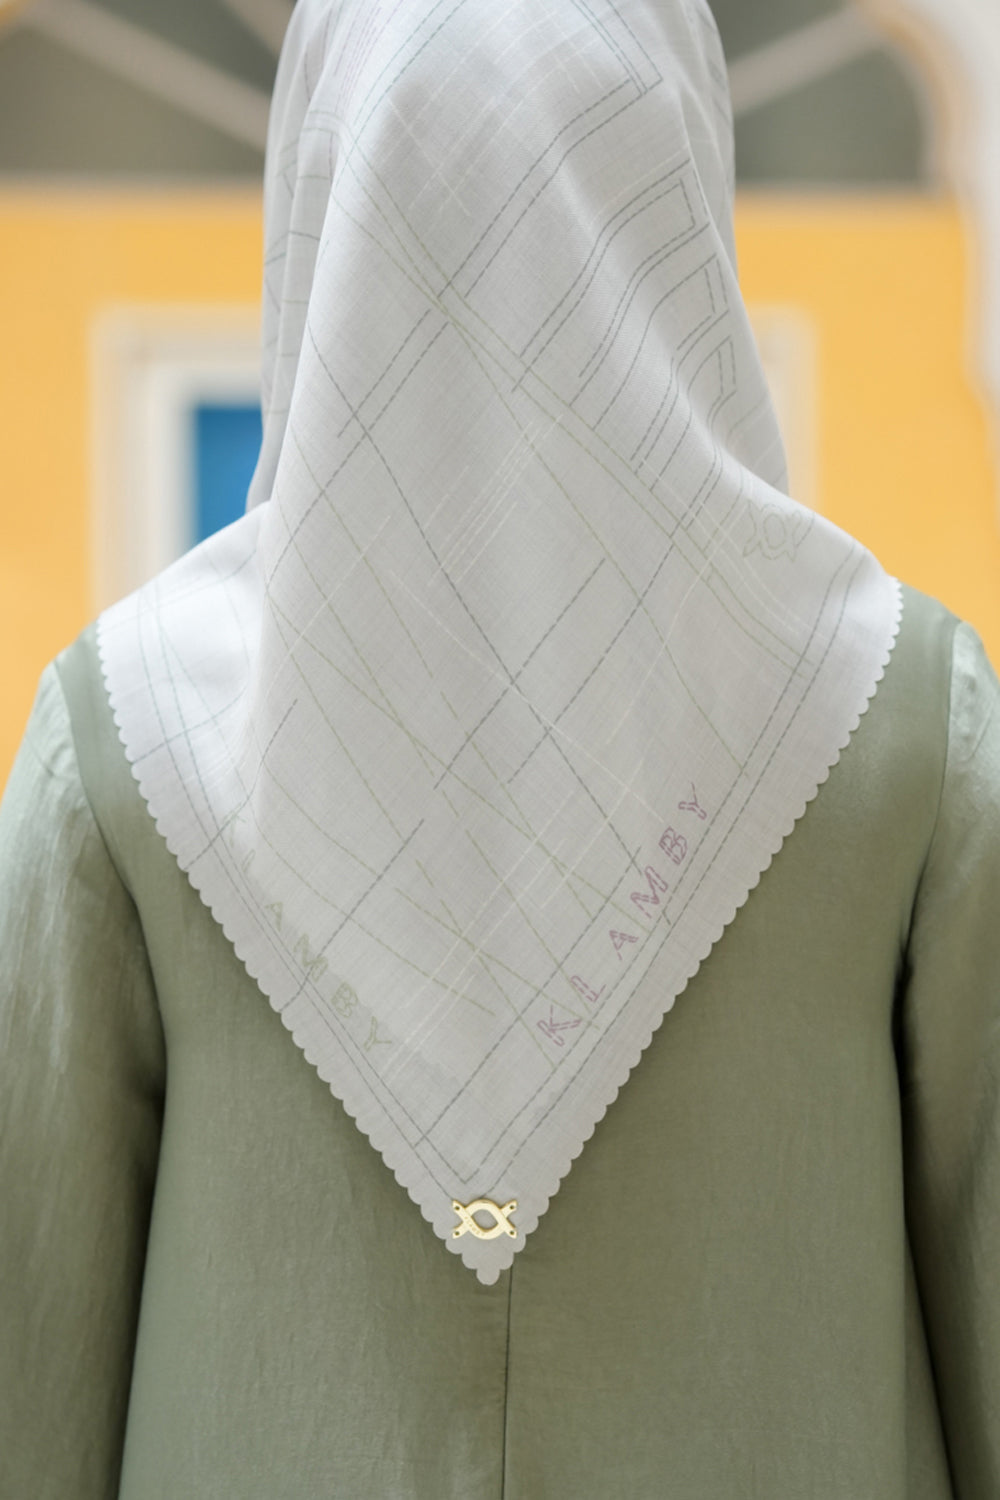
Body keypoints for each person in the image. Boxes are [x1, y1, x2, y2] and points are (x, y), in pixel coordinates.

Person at [2, 0, 998, 1494]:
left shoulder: (127, 731)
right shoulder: (900, 712)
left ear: (323, 203)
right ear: (676, 202)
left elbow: (30, 1369)